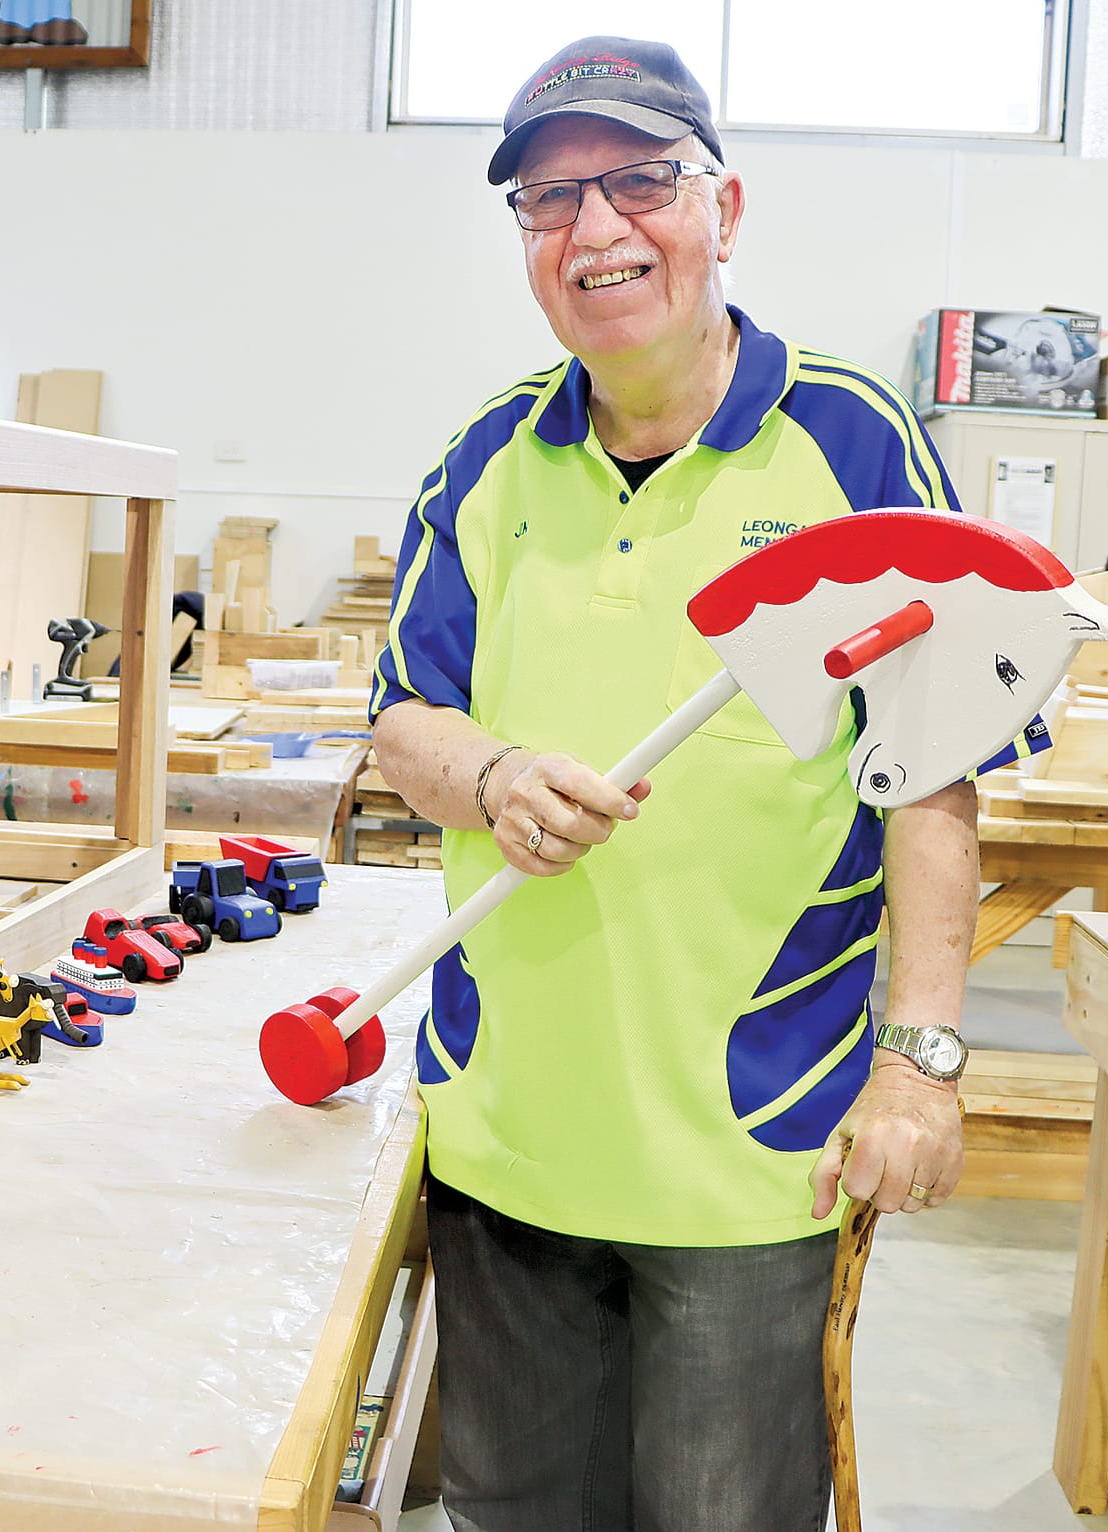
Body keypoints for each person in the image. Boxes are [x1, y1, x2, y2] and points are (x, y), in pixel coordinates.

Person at [369, 36, 1014, 1532]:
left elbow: (933, 779)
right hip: (508, 1137)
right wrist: (493, 773)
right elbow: (403, 723)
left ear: (725, 206)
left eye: (640, 181)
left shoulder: (852, 440)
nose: (596, 229)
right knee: (509, 1516)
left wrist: (918, 1065)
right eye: (549, 199)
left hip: (753, 1147)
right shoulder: (483, 461)